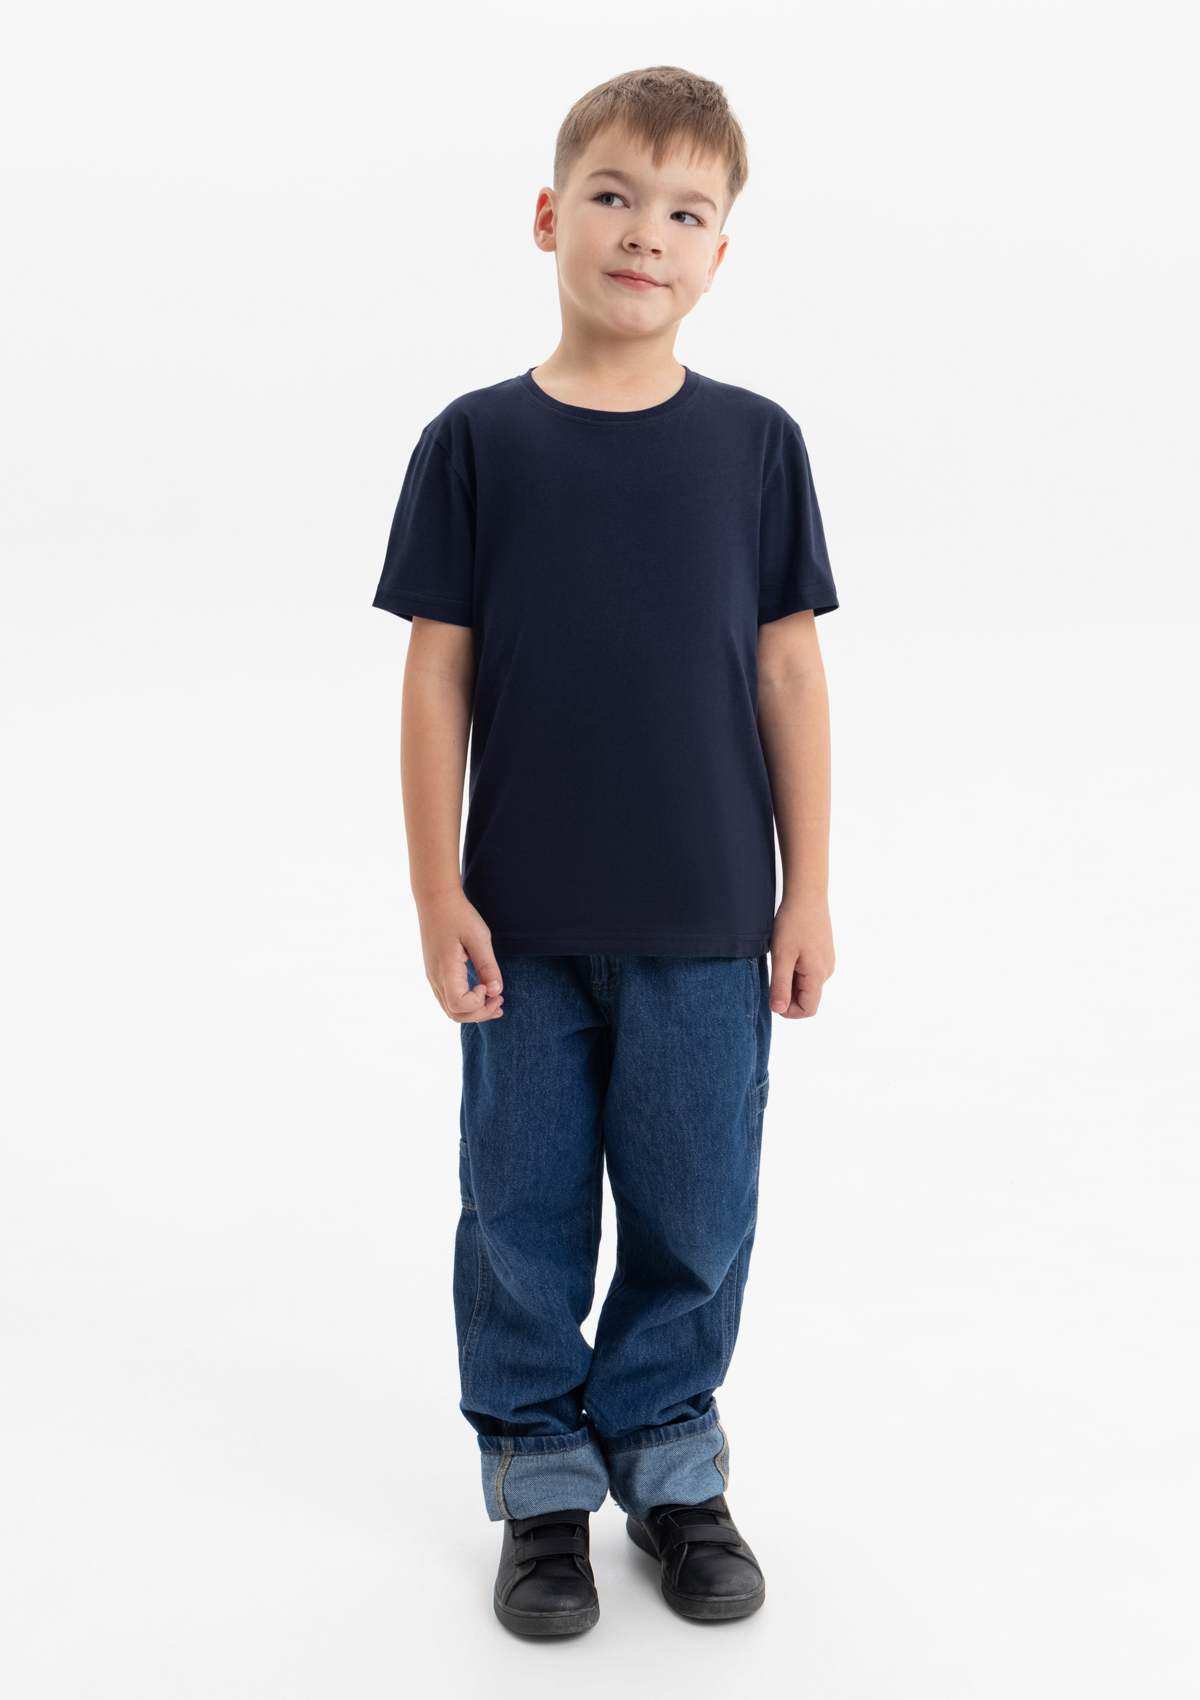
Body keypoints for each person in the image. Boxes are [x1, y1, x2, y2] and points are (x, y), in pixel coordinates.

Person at [373, 65, 838, 1636]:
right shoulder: (477, 441)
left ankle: (670, 1459)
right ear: (549, 214)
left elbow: (788, 673)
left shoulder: (756, 445)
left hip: (708, 920)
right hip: (522, 919)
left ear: (721, 254)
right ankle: (540, 1479)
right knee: (520, 1215)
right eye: (618, 197)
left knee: (696, 1209)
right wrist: (435, 885)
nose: (647, 232)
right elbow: (436, 673)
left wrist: (808, 890)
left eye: (687, 212)